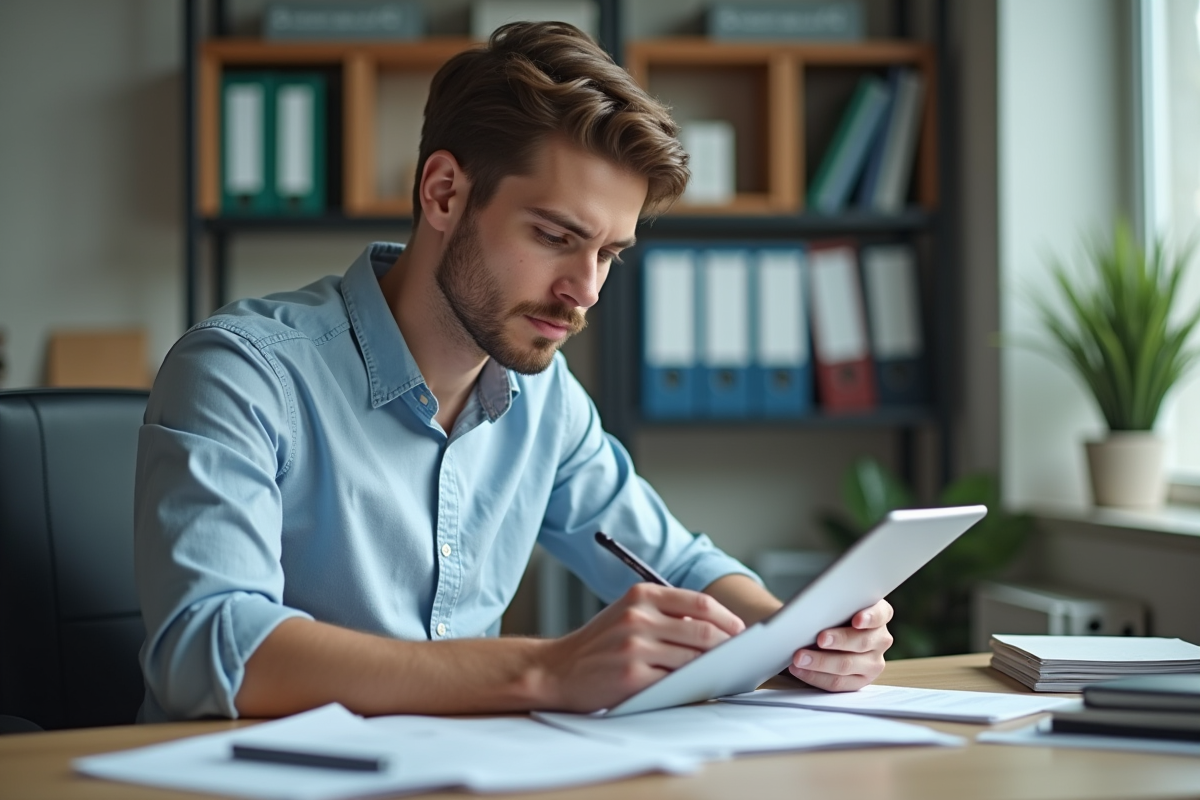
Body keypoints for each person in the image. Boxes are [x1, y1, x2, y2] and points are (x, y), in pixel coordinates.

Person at [135, 21, 893, 722]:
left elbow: (676, 563)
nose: (585, 290)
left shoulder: (543, 397)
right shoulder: (242, 372)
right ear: (444, 193)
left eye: (608, 254)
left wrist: (797, 637)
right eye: (555, 236)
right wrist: (544, 670)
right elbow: (208, 646)